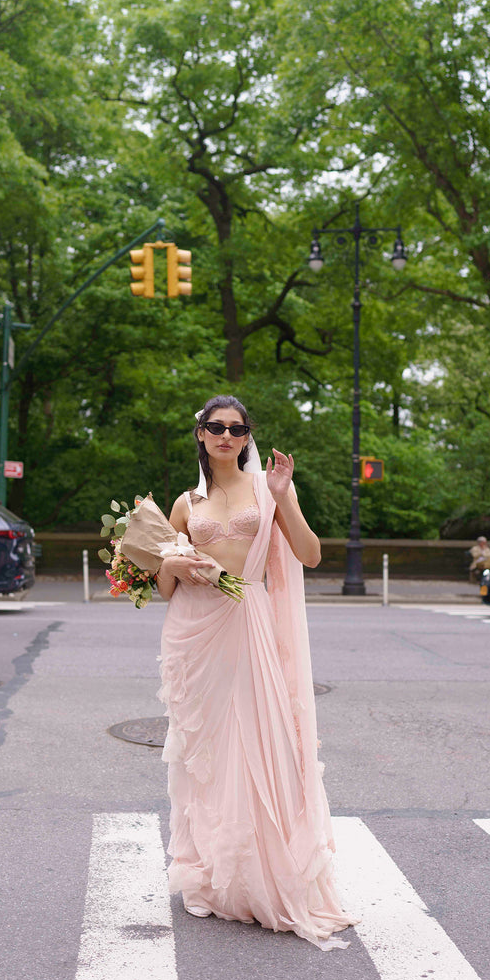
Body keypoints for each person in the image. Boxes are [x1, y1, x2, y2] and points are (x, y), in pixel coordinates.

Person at [155, 395, 357, 950]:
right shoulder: (183, 504)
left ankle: (259, 874)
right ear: (200, 434)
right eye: (215, 427)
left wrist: (285, 497)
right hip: (194, 635)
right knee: (207, 755)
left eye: (236, 428)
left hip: (249, 625)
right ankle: (208, 873)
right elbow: (161, 587)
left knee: (263, 747)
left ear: (247, 436)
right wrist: (170, 564)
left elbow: (311, 555)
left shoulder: (266, 490)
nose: (226, 435)